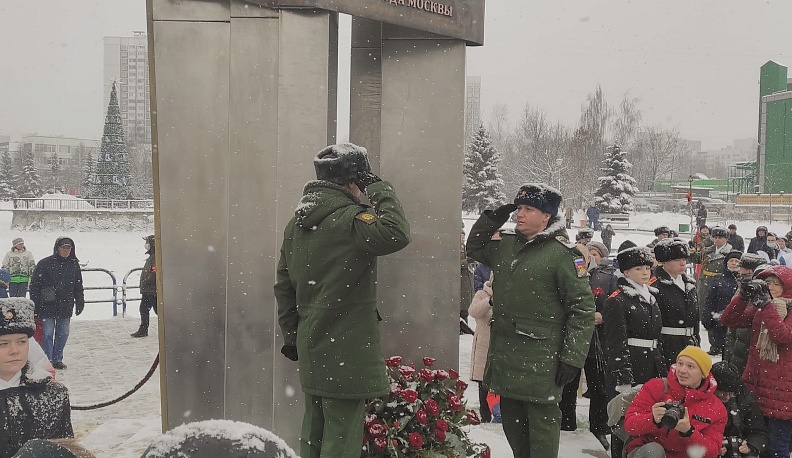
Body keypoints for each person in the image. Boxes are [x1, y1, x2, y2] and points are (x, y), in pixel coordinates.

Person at [274, 143, 411, 458]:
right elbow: (397, 233)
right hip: (346, 348)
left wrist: (293, 335)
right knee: (342, 437)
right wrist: (378, 187)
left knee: (314, 432)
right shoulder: (352, 220)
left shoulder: (296, 224)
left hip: (312, 343)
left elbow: (284, 287)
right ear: (354, 180)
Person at [466, 183, 595, 458]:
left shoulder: (563, 255)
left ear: (546, 216)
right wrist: (493, 218)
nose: (520, 214)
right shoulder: (507, 245)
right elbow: (474, 247)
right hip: (506, 355)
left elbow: (582, 310)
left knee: (542, 433)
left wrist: (572, 357)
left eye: (528, 209)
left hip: (542, 360)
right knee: (514, 430)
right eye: (519, 208)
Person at [720, 265, 792, 458]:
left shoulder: (779, 308)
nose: (772, 287)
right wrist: (742, 298)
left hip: (782, 394)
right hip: (756, 387)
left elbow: (782, 335)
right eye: (768, 283)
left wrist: (767, 305)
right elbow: (730, 320)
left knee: (777, 448)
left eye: (777, 283)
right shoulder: (761, 308)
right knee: (754, 444)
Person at [602, 246, 665, 457]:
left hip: (651, 366)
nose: (646, 272)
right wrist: (623, 378)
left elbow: (657, 338)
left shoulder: (651, 298)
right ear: (626, 272)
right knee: (623, 421)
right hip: (631, 366)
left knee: (647, 420)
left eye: (647, 267)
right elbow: (615, 343)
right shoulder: (617, 300)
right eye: (639, 268)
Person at [0, 297, 74, 457]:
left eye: (21, 342)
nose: (14, 350)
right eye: (3, 344)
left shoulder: (54, 395)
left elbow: (64, 450)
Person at [623, 346, 727, 458]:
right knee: (653, 451)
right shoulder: (656, 386)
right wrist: (652, 419)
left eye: (690, 366)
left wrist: (689, 432)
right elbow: (630, 426)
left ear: (703, 374)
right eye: (680, 364)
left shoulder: (717, 408)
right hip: (647, 451)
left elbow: (711, 452)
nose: (682, 370)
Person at [559, 240, 612, 450]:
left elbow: (614, 303)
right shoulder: (567, 275)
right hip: (572, 339)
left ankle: (599, 428)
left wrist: (603, 316)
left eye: (589, 254)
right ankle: (567, 425)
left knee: (599, 387)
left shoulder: (605, 278)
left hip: (596, 342)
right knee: (568, 386)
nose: (582, 259)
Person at [28, 237, 84, 370]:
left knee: (63, 333)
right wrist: (36, 304)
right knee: (47, 333)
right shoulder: (44, 263)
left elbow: (78, 285)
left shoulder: (73, 264)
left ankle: (57, 358)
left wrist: (80, 301)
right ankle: (48, 358)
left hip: (65, 304)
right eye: (63, 247)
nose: (66, 250)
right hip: (47, 305)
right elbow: (35, 286)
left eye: (68, 248)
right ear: (57, 248)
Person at [650, 238, 699, 369]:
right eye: (677, 260)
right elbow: (653, 325)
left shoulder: (689, 285)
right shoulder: (655, 286)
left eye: (684, 259)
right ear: (664, 262)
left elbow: (695, 320)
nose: (683, 263)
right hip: (668, 347)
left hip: (690, 346)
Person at [709, 361, 768, 458]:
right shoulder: (701, 401)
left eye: (731, 393)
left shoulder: (746, 400)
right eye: (722, 393)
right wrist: (711, 447)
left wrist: (751, 445)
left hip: (739, 448)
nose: (727, 397)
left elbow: (759, 431)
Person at [721, 254, 765, 374]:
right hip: (738, 344)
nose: (739, 269)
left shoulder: (757, 290)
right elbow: (729, 319)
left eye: (741, 267)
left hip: (745, 345)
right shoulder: (743, 286)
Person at [691, 226, 732, 338]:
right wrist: (691, 252)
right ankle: (711, 340)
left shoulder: (730, 253)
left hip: (719, 286)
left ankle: (718, 343)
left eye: (720, 237)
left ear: (726, 239)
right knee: (706, 310)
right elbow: (697, 259)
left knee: (718, 313)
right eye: (715, 237)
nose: (717, 240)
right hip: (705, 284)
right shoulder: (707, 250)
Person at [702, 250, 742, 356]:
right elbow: (710, 299)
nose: (734, 263)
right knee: (726, 351)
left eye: (737, 261)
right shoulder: (719, 279)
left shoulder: (744, 280)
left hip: (740, 323)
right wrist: (707, 316)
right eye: (731, 260)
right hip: (721, 320)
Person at [468, 271, 494, 423]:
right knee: (483, 383)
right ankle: (485, 416)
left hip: (502, 345)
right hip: (484, 345)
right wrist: (489, 302)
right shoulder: (481, 294)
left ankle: (499, 414)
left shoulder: (510, 295)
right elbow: (473, 311)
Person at [132, 235, 157, 338]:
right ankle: (143, 329)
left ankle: (171, 329)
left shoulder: (155, 257)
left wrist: (146, 282)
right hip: (148, 290)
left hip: (152, 290)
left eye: (147, 242)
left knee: (158, 311)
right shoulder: (152, 256)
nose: (146, 245)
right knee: (143, 308)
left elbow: (154, 272)